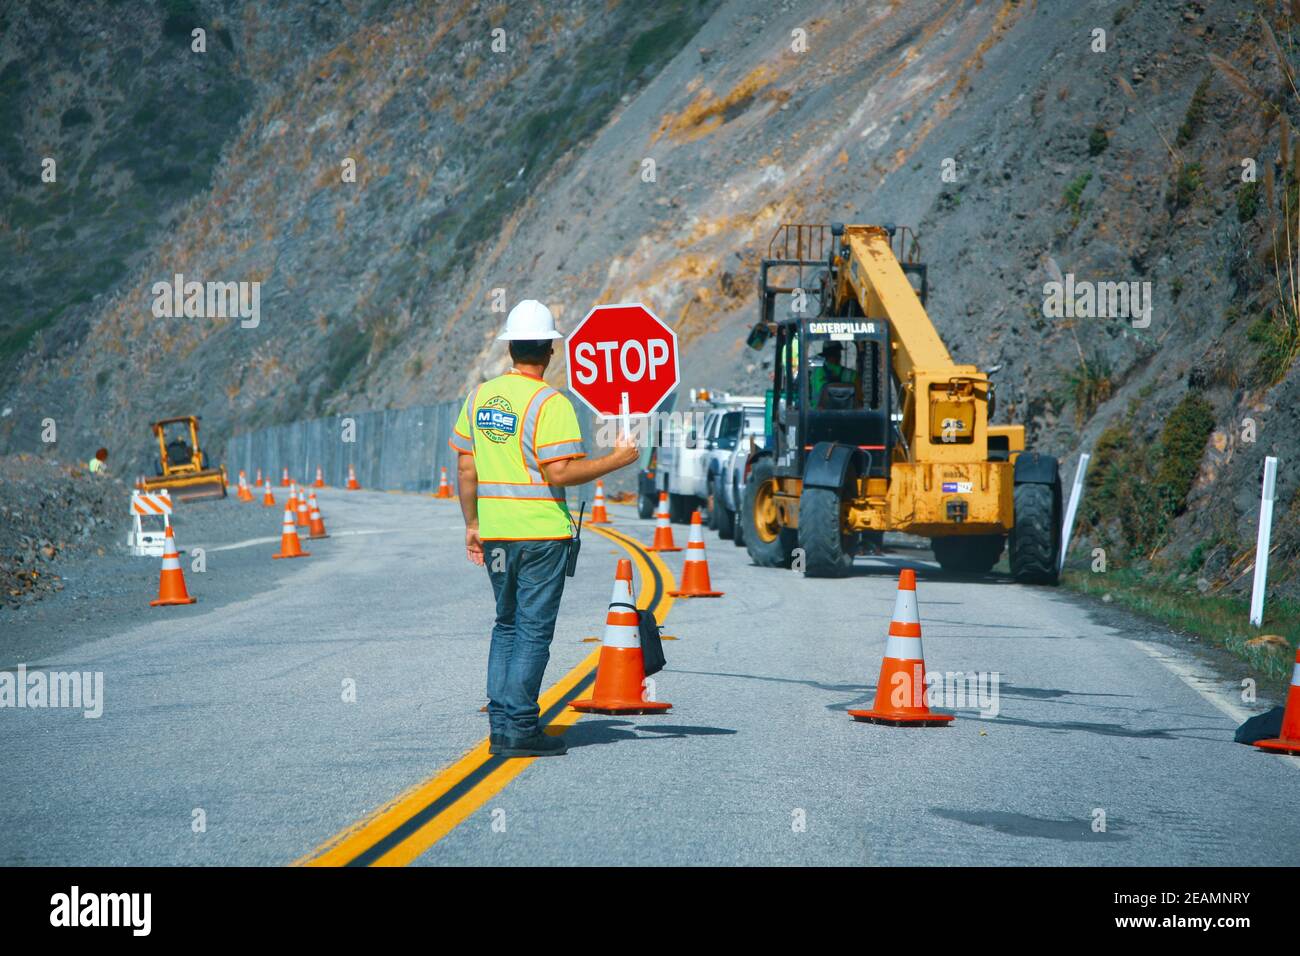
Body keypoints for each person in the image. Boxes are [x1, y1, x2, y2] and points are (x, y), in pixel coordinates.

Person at [450, 299, 640, 758]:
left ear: (511, 348)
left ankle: (501, 724)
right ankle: (519, 727)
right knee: (533, 630)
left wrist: (472, 524)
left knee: (506, 625)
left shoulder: (479, 398)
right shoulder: (549, 402)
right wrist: (617, 459)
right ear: (551, 352)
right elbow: (559, 473)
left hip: (495, 533)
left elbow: (465, 467)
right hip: (539, 536)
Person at [808, 341, 857, 407]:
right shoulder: (851, 374)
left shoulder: (815, 372)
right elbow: (859, 402)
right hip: (847, 415)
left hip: (817, 414)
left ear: (825, 355)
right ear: (838, 354)